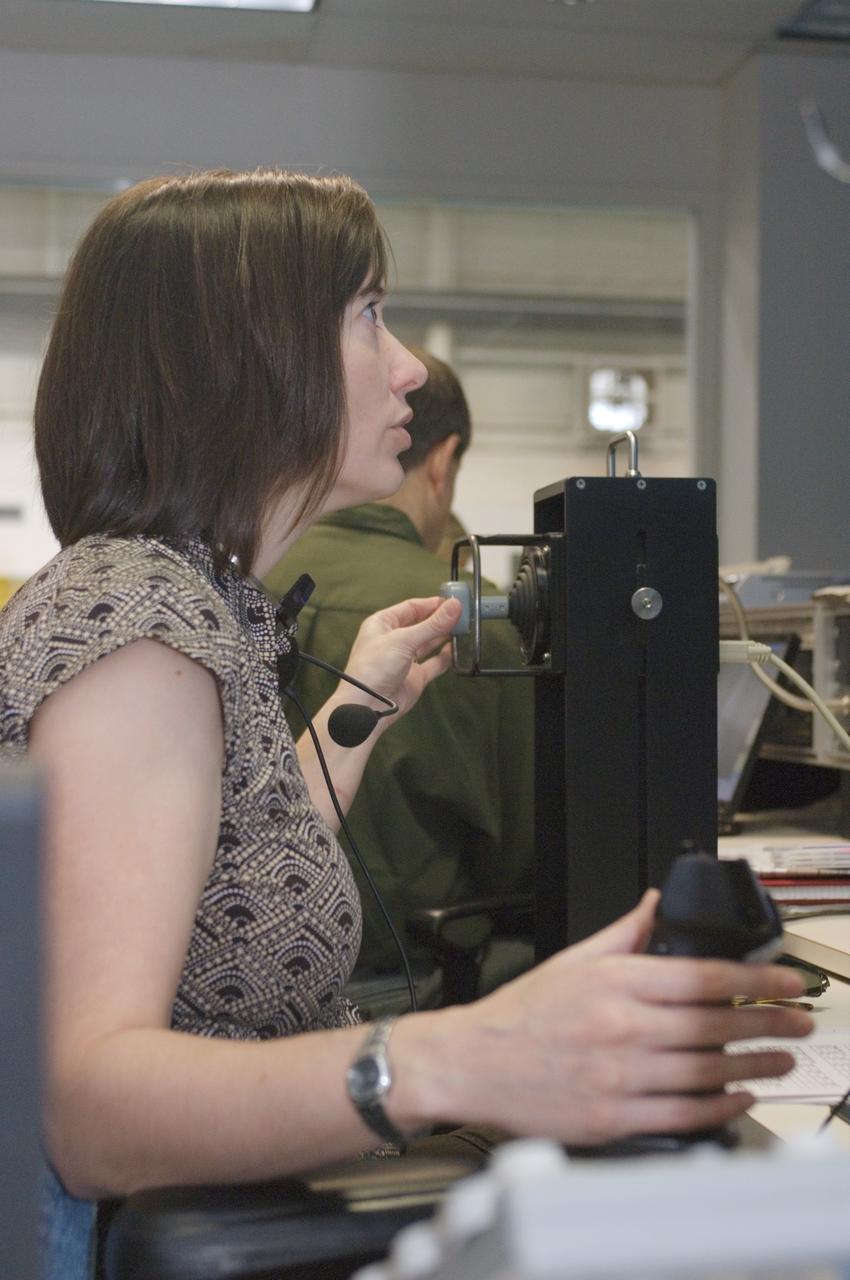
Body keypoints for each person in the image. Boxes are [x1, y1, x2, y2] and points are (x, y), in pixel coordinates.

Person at [0, 169, 811, 1280]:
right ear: (248, 354)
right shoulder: (144, 630)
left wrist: (355, 712)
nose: (409, 367)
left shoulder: (178, 600)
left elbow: (220, 892)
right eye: (369, 314)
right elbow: (91, 1110)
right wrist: (470, 1053)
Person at [264, 348, 534, 985]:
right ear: (441, 462)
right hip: (413, 984)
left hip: (250, 984)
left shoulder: (236, 588)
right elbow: (528, 858)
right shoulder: (476, 624)